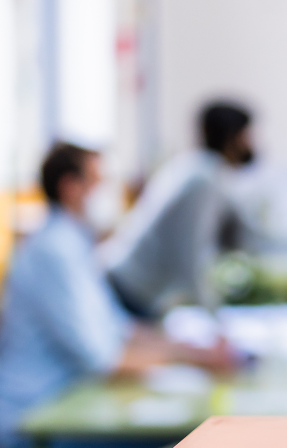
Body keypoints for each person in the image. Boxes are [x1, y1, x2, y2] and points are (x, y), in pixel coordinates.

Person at [0, 143, 230, 448]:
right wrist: (194, 358)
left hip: (69, 404)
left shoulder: (73, 243)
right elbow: (104, 359)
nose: (106, 194)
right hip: (33, 420)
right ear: (71, 188)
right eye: (98, 183)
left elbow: (120, 329)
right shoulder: (54, 251)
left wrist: (190, 348)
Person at [101, 101, 256, 317]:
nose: (251, 144)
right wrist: (213, 315)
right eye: (247, 136)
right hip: (129, 289)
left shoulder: (195, 167)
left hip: (128, 285)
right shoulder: (203, 180)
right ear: (232, 138)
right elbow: (191, 254)